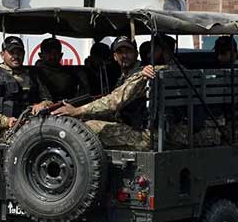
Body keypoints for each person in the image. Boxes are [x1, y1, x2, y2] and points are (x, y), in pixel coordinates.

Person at [54, 35, 221, 150]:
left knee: (89, 128)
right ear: (114, 56)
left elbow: (114, 101)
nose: (124, 55)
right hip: (162, 130)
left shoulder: (148, 74)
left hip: (154, 135)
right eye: (120, 52)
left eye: (128, 51)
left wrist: (77, 111)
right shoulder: (168, 71)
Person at [0, 37, 53, 140]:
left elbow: (49, 100)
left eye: (19, 52)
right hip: (8, 132)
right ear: (2, 54)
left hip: (35, 126)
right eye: (11, 52)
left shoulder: (33, 76)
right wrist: (7, 121)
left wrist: (42, 105)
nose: (16, 56)